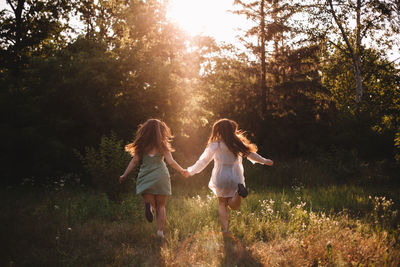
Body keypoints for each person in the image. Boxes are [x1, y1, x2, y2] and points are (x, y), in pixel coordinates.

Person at [185, 118, 273, 232]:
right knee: (234, 205)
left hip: (221, 176)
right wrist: (265, 161)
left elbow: (203, 160)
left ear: (217, 131)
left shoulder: (215, 144)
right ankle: (237, 194)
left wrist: (190, 171)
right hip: (236, 177)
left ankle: (225, 230)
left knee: (222, 203)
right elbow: (251, 154)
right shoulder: (237, 143)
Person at [120, 119, 187, 238]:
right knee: (161, 206)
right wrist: (182, 170)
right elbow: (170, 162)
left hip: (146, 176)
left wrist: (124, 174)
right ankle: (160, 233)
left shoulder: (141, 146)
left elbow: (135, 161)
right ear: (161, 131)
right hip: (161, 176)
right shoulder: (162, 145)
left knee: (151, 203)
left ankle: (150, 207)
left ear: (145, 131)